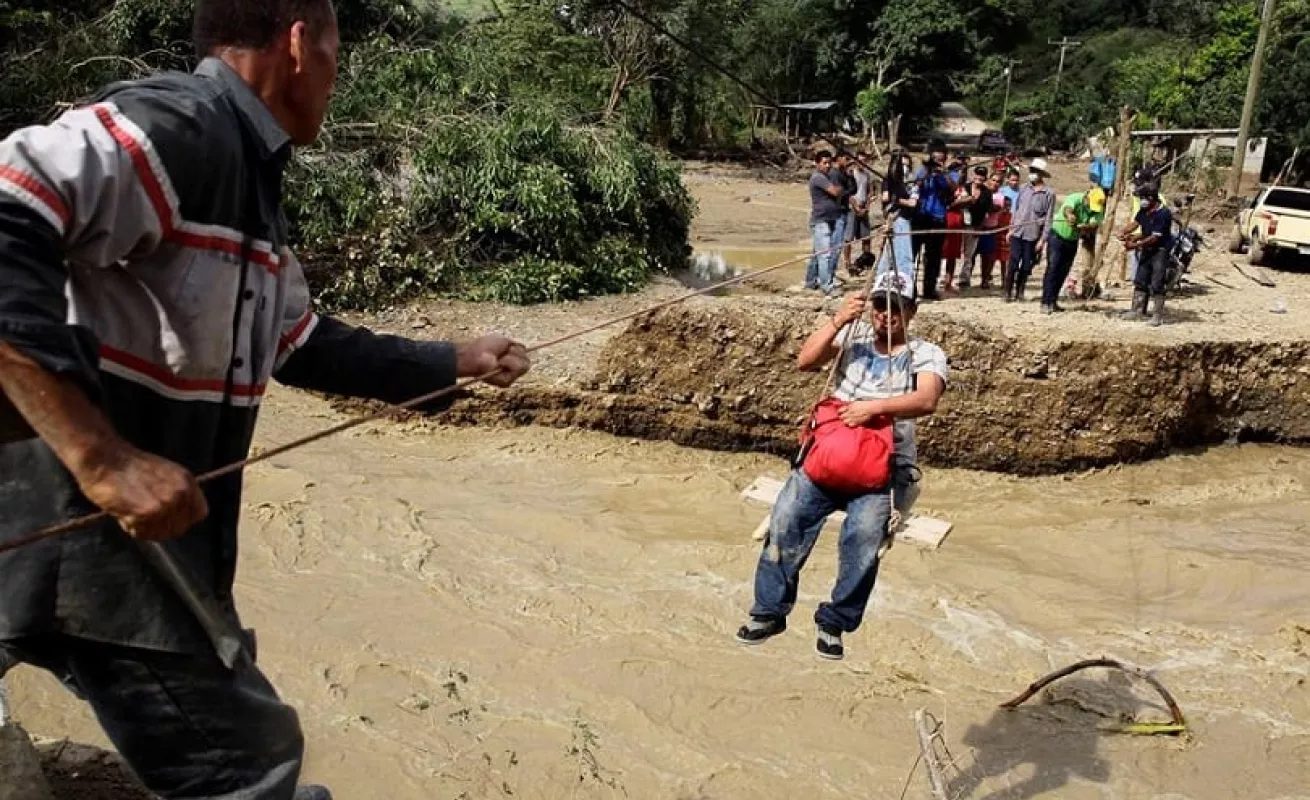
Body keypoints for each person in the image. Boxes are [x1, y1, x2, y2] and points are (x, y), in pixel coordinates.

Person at [0, 2, 531, 798]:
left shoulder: (248, 181)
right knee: (249, 762)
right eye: (334, 53)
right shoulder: (186, 126)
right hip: (87, 535)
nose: (334, 78)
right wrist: (102, 457)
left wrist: (454, 359)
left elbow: (302, 343)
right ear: (296, 42)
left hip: (98, 536)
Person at [735, 270, 948, 661]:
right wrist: (838, 320)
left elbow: (926, 399)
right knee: (785, 519)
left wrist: (874, 408)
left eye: (896, 308)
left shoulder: (926, 353)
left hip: (883, 470)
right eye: (880, 306)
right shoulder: (855, 338)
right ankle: (769, 611)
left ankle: (835, 621)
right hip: (831, 454)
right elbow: (805, 361)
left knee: (864, 537)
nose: (886, 315)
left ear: (912, 312)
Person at [1041, 186, 1105, 314]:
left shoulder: (1097, 209)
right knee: (1053, 268)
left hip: (1072, 240)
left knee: (1063, 271)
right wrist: (1070, 216)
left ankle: (1053, 301)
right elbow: (1067, 209)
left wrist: (1084, 226)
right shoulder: (1075, 198)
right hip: (1057, 237)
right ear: (1087, 196)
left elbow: (1094, 224)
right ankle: (1045, 301)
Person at [1119, 186, 1175, 326]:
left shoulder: (1163, 214)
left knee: (1157, 282)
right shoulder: (1144, 210)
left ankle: (1157, 316)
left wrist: (1135, 245)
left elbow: (1154, 238)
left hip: (1160, 250)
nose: (1141, 201)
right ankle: (1137, 310)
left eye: (1142, 198)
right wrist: (1124, 232)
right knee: (1141, 279)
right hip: (1147, 249)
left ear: (1151, 198)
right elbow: (1136, 223)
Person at [1004, 157, 1056, 302]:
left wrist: (1042, 239)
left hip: (1033, 235)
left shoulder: (1048, 194)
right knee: (1013, 263)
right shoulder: (1023, 189)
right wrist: (1010, 229)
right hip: (1017, 231)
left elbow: (1048, 219)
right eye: (1031, 170)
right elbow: (1016, 210)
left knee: (1026, 265)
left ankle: (1020, 291)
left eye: (1035, 171)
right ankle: (1007, 292)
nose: (1032, 173)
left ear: (1041, 174)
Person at [911, 139, 955, 301]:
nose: (938, 162)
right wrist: (927, 172)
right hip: (920, 216)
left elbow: (954, 188)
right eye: (935, 159)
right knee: (914, 254)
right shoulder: (923, 171)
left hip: (939, 217)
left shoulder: (949, 173)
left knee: (934, 256)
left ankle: (929, 289)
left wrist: (942, 173)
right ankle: (911, 288)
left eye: (941, 160)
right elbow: (915, 185)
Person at [803, 150, 845, 295]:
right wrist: (840, 188)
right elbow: (835, 191)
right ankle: (827, 285)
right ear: (817, 163)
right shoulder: (818, 178)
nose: (827, 166)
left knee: (817, 254)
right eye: (824, 163)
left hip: (829, 218)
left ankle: (810, 281)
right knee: (824, 254)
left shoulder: (827, 177)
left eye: (829, 163)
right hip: (821, 220)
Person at [877, 151, 917, 289]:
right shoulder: (888, 181)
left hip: (904, 219)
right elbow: (885, 198)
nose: (904, 168)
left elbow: (913, 203)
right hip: (891, 219)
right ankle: (881, 284)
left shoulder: (911, 183)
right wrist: (894, 193)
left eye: (906, 165)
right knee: (888, 255)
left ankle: (903, 284)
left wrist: (898, 199)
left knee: (903, 254)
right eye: (901, 165)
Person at [955, 166, 994, 289]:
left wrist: (979, 228)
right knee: (954, 251)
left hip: (975, 225)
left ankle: (963, 279)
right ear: (973, 175)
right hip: (960, 224)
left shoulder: (987, 193)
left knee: (968, 254)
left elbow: (986, 213)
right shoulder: (964, 188)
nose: (979, 178)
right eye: (977, 175)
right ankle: (947, 278)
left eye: (982, 176)